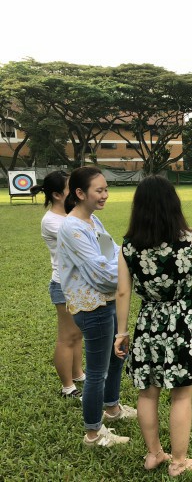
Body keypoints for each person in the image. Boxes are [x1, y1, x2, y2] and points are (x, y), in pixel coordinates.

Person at [114, 175, 192, 476]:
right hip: (182, 322)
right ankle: (179, 463)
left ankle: (154, 454)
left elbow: (122, 292)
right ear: (174, 204)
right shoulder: (189, 240)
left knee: (147, 393)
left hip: (148, 323)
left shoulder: (129, 247)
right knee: (181, 394)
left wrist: (121, 332)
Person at [57, 166, 136, 448]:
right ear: (80, 193)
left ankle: (112, 408)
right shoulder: (71, 228)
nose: (105, 195)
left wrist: (126, 266)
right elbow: (99, 271)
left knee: (117, 358)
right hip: (93, 308)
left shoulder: (93, 222)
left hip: (109, 302)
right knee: (97, 372)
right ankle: (93, 433)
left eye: (106, 189)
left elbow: (114, 254)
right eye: (99, 190)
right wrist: (129, 273)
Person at [31, 171, 85, 399]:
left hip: (80, 284)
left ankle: (78, 374)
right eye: (69, 189)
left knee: (78, 334)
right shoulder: (53, 222)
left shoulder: (72, 215)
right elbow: (85, 245)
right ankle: (67, 387)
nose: (75, 192)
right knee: (67, 336)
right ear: (56, 194)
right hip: (64, 285)